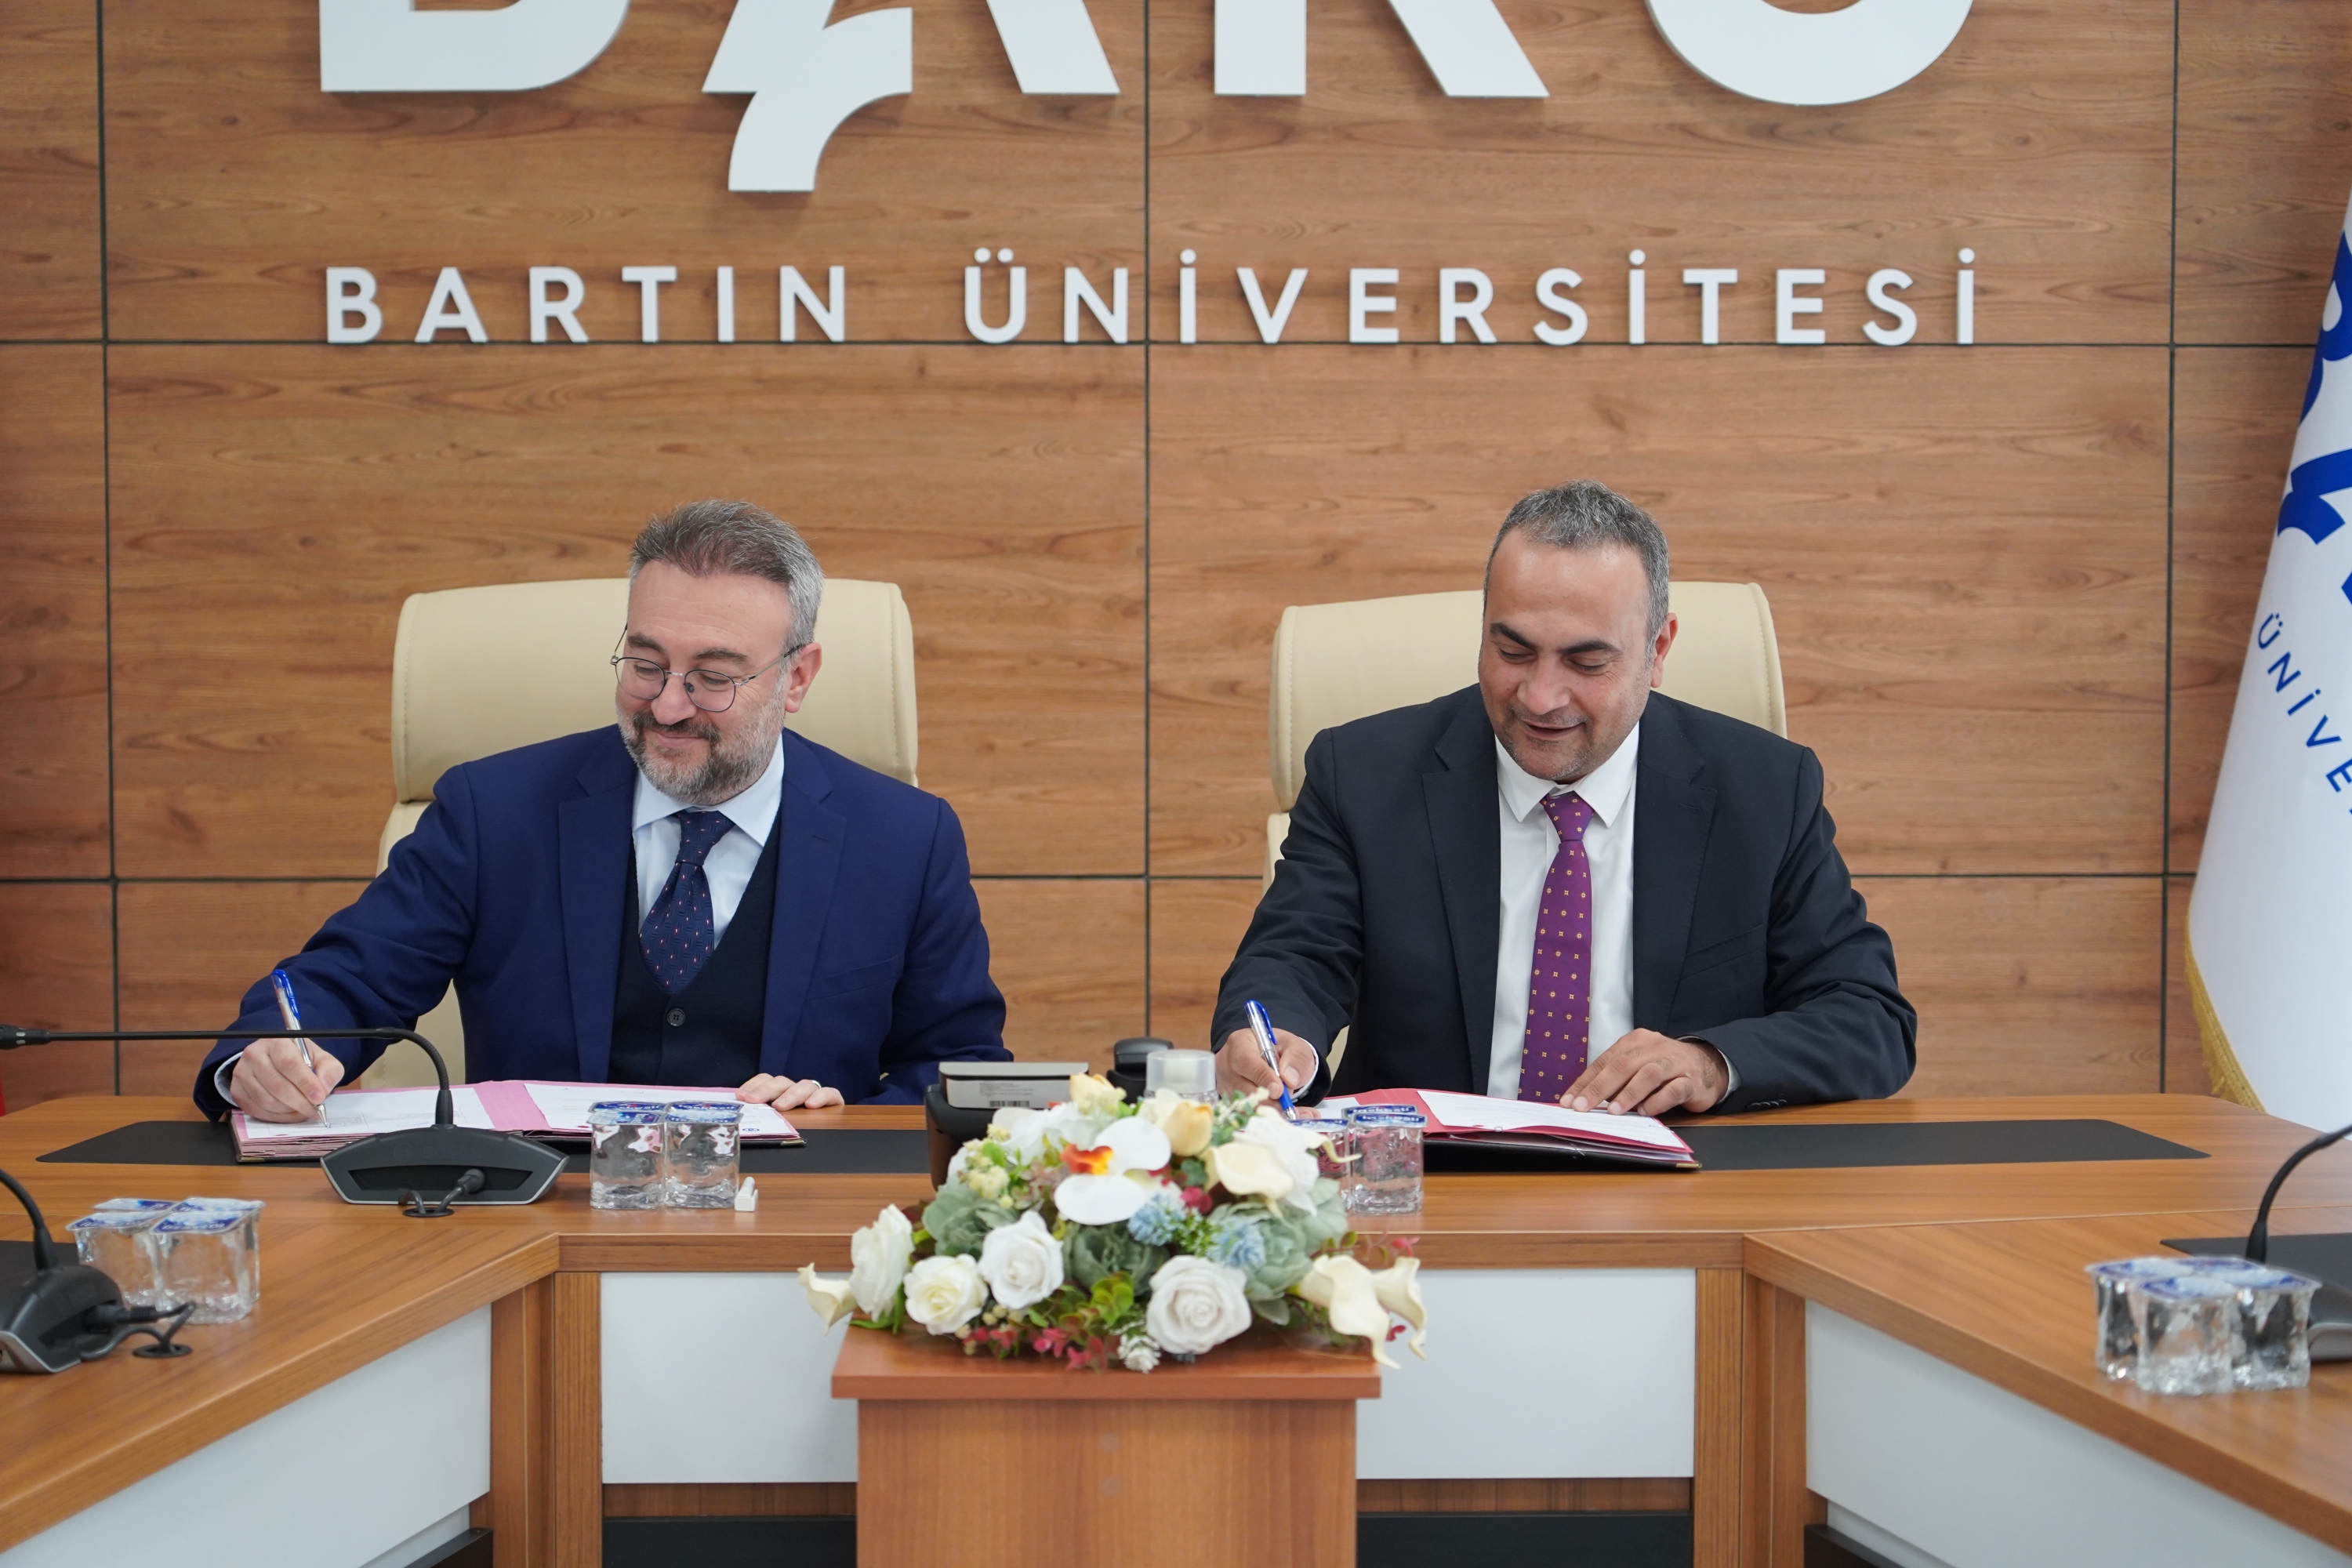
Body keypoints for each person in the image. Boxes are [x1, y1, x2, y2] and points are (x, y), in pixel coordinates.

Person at [197, 499, 1008, 1123]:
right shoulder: (494, 812)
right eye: (646, 663)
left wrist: (845, 1122)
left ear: (796, 679)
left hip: (788, 1230)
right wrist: (272, 1058)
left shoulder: (905, 840)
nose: (669, 706)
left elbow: (959, 1069)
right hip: (538, 1218)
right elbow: (342, 982)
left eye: (714, 677)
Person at [1212, 480, 1914, 1117]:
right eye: (1513, 652)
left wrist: (1709, 1063)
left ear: (1658, 650)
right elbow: (1295, 959)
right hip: (1432, 1181)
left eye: (1586, 661)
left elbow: (1867, 1017)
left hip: (1681, 1184)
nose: (1541, 697)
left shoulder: (1763, 789)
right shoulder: (1365, 774)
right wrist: (1275, 1043)